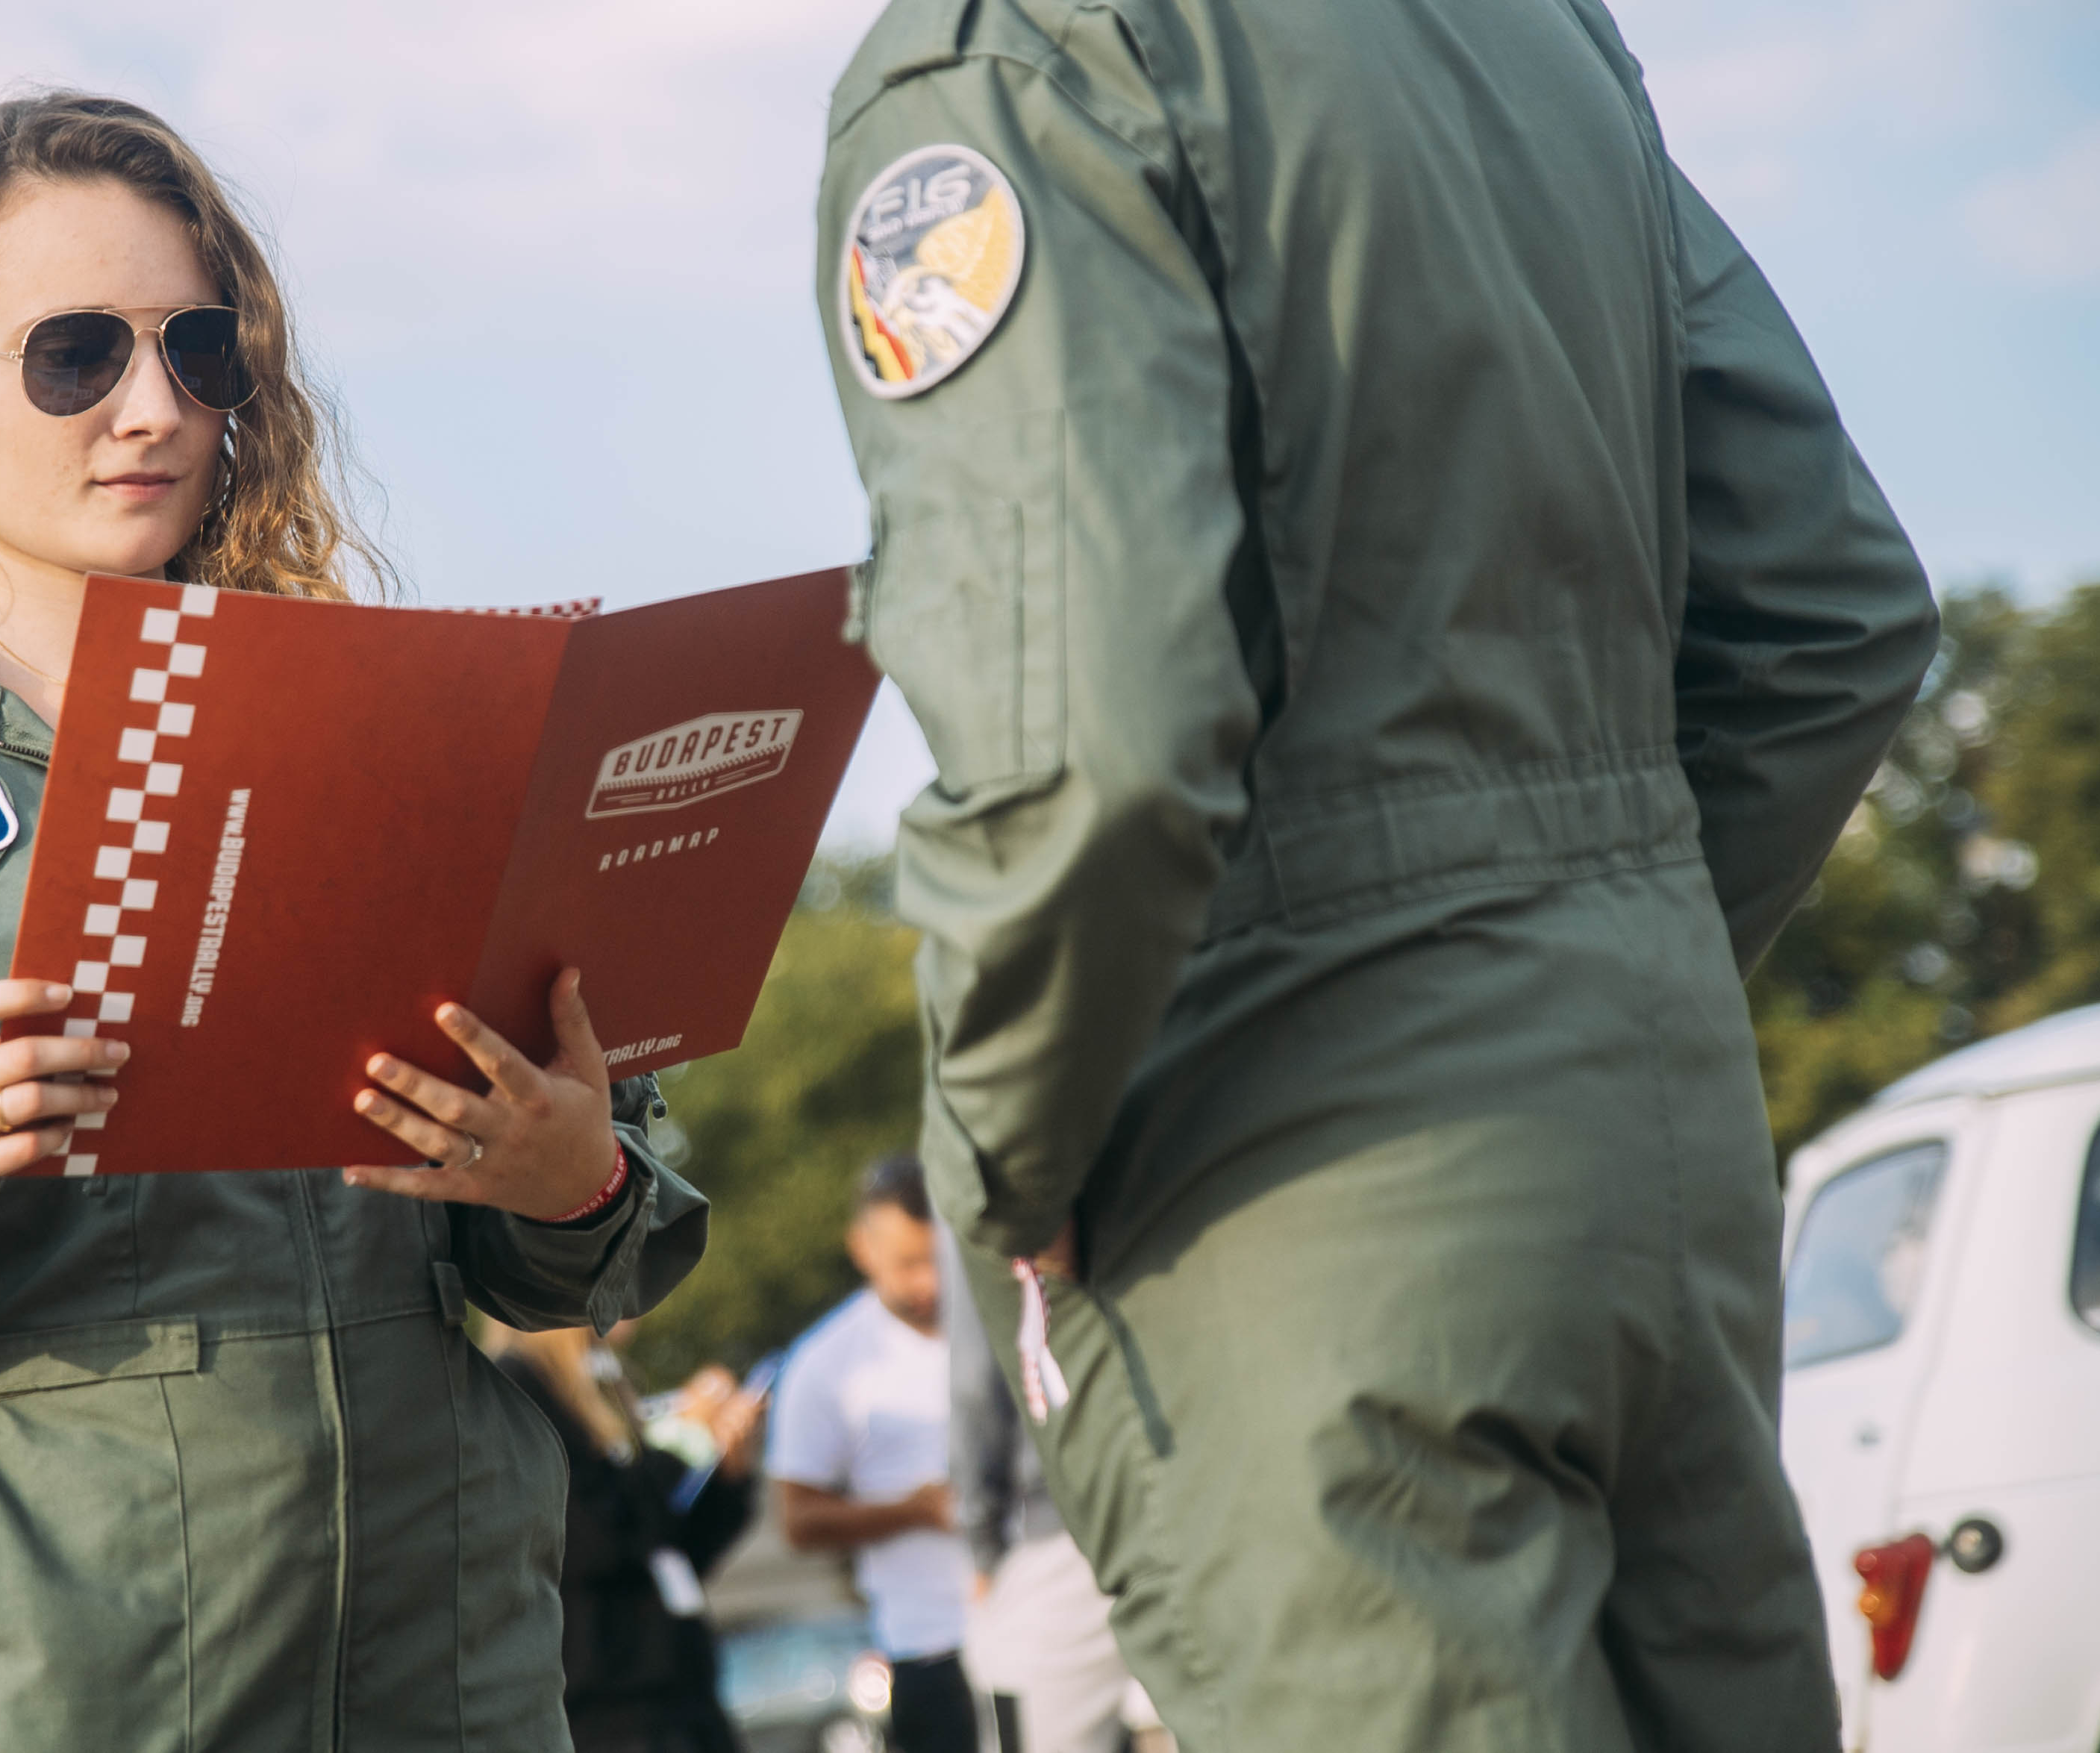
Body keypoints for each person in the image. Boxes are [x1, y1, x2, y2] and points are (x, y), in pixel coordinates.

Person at [810, 1, 1940, 1749]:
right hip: (1656, 1144)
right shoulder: (1531, 38)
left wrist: (997, 1161)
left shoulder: (1011, 63)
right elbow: (1827, 613)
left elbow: (1091, 743)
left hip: (1294, 1179)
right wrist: (1583, 944)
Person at [0, 92, 706, 1752]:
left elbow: (597, 1233)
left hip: (448, 1681)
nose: (154, 408)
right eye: (75, 355)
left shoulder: (385, 723)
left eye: (203, 349)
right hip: (58, 1694)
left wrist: (572, 1175)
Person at [766, 1156, 976, 1753]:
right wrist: (915, 1511)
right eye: (909, 1263)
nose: (928, 1284)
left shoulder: (995, 1319)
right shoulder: (825, 1363)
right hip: (931, 1646)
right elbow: (798, 1520)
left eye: (939, 1259)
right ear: (863, 1247)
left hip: (1045, 1622)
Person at [488, 1319, 766, 1753]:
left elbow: (672, 1545)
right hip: (607, 1707)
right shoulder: (518, 1386)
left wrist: (728, 1473)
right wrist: (686, 1438)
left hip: (684, 1694)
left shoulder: (603, 1382)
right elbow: (588, 1536)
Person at [940, 1222, 1155, 1753]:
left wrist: (982, 1543)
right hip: (1190, 1495)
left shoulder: (975, 1155)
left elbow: (974, 1383)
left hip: (1059, 1528)